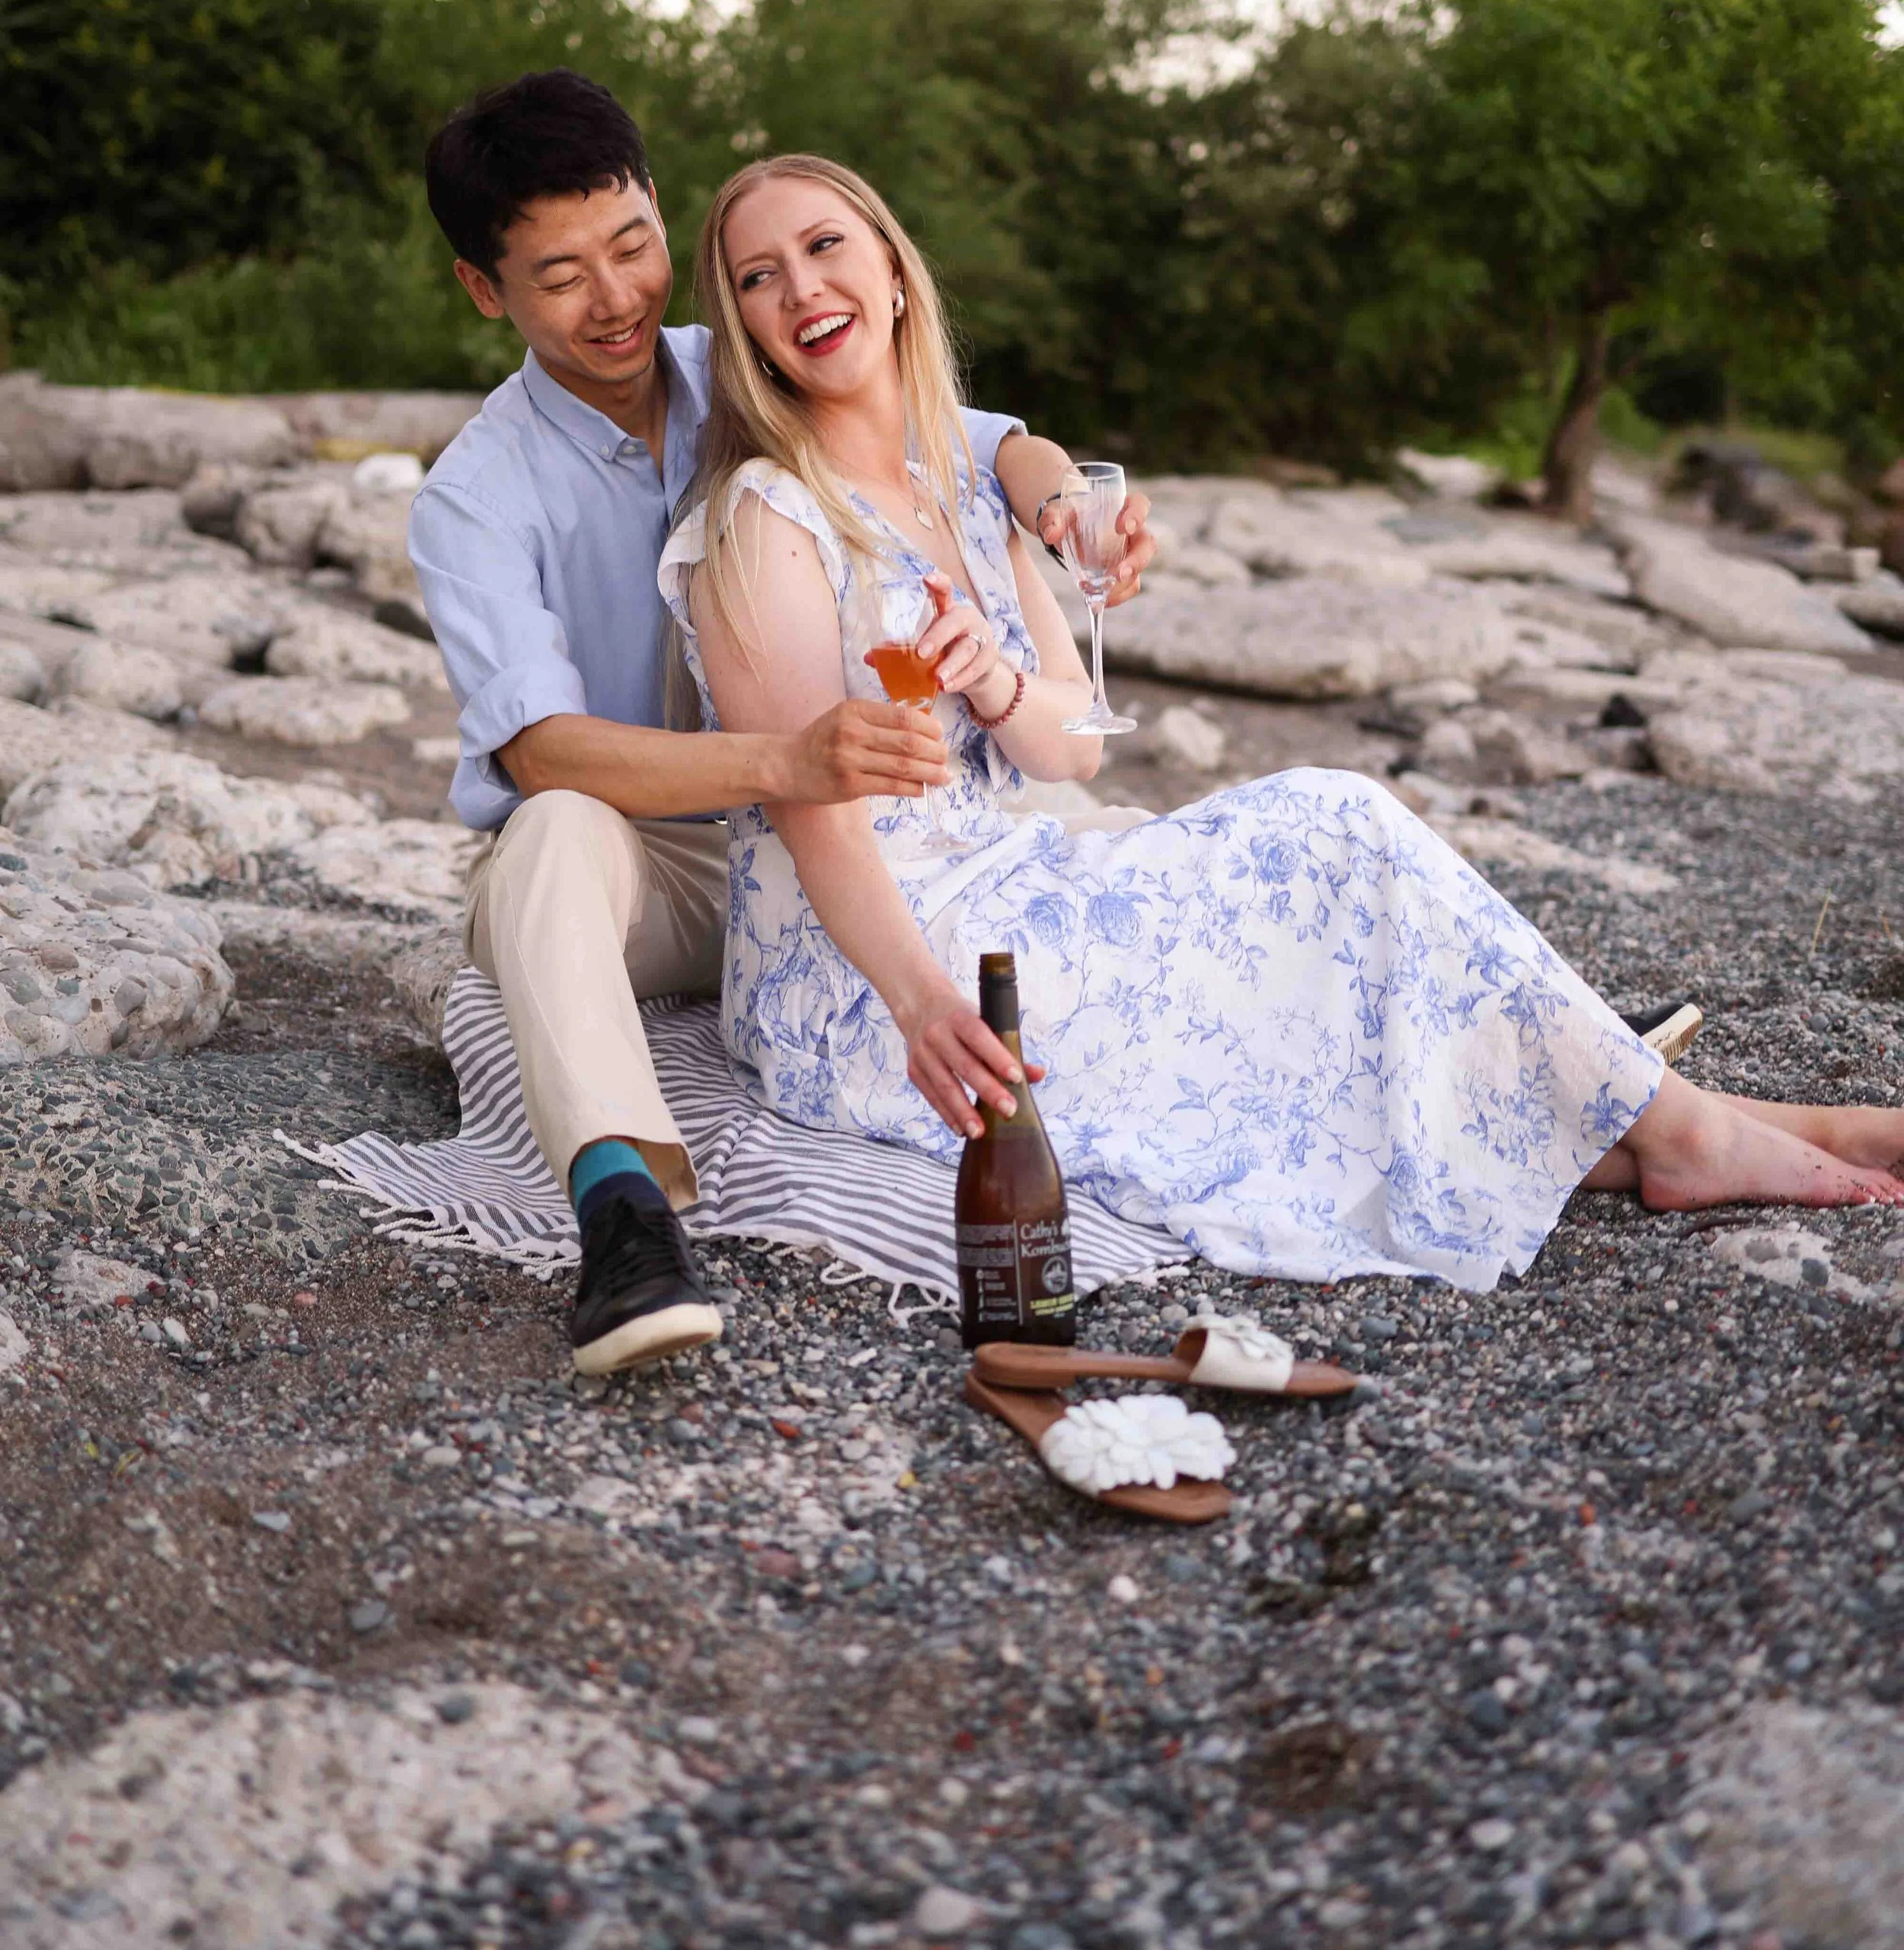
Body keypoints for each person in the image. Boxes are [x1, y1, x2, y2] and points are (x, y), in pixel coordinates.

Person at [659, 150, 1904, 1290]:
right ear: (744, 328)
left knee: (1331, 862)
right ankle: (1696, 1127)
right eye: (757, 276)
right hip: (865, 970)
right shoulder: (764, 515)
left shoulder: (960, 482)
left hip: (1003, 876)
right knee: (1324, 860)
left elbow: (1070, 745)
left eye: (826, 247)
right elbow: (804, 805)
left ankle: (1710, 1124)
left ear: (890, 268)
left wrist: (992, 677)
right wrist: (927, 1001)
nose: (801, 289)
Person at [407, 73, 1154, 1377]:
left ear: (656, 209)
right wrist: (786, 758)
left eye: (634, 246)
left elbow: (970, 443)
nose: (619, 298)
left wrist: (1063, 507)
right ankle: (626, 1217)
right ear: (489, 292)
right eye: (561, 275)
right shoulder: (472, 496)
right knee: (549, 832)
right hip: (644, 862)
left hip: (809, 854)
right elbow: (541, 749)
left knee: (1117, 854)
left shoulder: (737, 357)